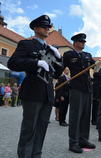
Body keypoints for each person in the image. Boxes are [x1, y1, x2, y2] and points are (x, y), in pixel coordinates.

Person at [7, 15, 63, 158]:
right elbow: (12, 63)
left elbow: (57, 73)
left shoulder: (51, 50)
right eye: (44, 27)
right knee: (29, 128)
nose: (47, 29)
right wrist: (35, 63)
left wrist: (58, 57)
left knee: (42, 127)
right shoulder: (26, 44)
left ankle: (36, 154)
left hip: (47, 93)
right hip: (32, 91)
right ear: (36, 28)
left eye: (48, 27)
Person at [63, 33, 96, 153]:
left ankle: (83, 139)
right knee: (75, 116)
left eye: (84, 42)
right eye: (81, 42)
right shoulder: (68, 55)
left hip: (87, 88)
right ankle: (73, 142)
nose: (83, 44)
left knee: (85, 116)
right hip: (76, 88)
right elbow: (61, 67)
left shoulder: (88, 55)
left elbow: (95, 67)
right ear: (75, 43)